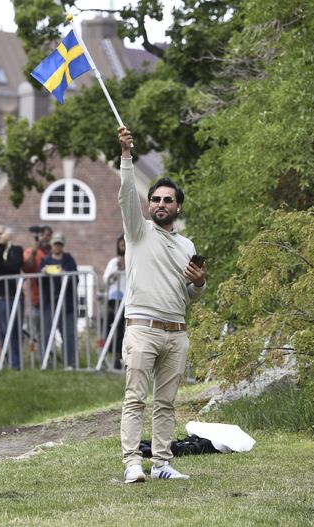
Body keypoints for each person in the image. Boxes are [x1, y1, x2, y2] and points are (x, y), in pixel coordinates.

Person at [116, 126, 207, 483]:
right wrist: (126, 156)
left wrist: (199, 282)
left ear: (177, 206)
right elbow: (126, 196)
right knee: (135, 398)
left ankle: (162, 464)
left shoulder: (186, 245)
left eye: (168, 200)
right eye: (155, 199)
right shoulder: (137, 231)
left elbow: (192, 293)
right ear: (149, 204)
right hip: (142, 329)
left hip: (177, 333)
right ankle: (132, 463)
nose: (161, 204)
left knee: (166, 403)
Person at [0, 225, 24, 368]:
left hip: (16, 295)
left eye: (1, 233)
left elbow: (14, 266)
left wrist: (0, 264)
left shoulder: (17, 250)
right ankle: (6, 360)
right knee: (3, 330)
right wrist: (1, 248)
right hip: (1, 296)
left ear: (6, 234)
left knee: (15, 330)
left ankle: (16, 363)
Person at [38, 232, 78, 368]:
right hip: (49, 302)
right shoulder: (45, 260)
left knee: (68, 333)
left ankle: (70, 362)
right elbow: (38, 280)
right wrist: (43, 273)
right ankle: (46, 362)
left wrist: (64, 272)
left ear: (63, 245)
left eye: (60, 244)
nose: (57, 246)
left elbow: (75, 278)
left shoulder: (69, 259)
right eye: (55, 244)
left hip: (66, 304)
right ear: (51, 245)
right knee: (46, 332)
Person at [22, 225, 53, 353]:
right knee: (36, 332)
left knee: (49, 331)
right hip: (37, 299)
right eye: (43, 235)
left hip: (52, 297)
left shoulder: (53, 252)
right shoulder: (31, 252)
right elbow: (27, 268)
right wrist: (34, 251)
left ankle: (50, 357)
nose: (45, 238)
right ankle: (38, 359)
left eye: (48, 235)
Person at [102, 235, 127, 369]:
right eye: (121, 244)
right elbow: (106, 279)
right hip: (114, 299)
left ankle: (121, 355)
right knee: (111, 327)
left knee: (123, 329)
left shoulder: (133, 260)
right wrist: (117, 270)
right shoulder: (113, 262)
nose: (123, 247)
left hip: (128, 299)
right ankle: (112, 353)